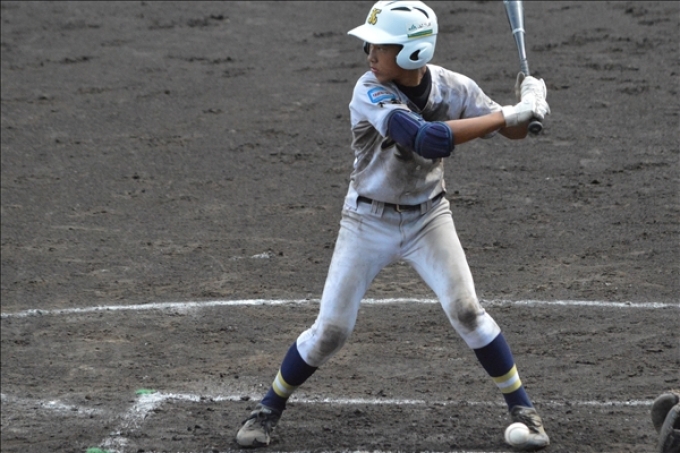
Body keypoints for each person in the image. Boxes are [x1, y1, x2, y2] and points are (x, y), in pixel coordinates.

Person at [236, 1, 551, 450]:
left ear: (412, 53)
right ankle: (268, 408)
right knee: (331, 331)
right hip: (366, 221)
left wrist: (529, 106)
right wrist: (508, 114)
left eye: (379, 46)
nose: (369, 54)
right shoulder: (369, 89)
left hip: (429, 217)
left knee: (467, 310)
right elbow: (425, 138)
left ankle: (525, 411)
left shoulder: (454, 87)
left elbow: (512, 131)